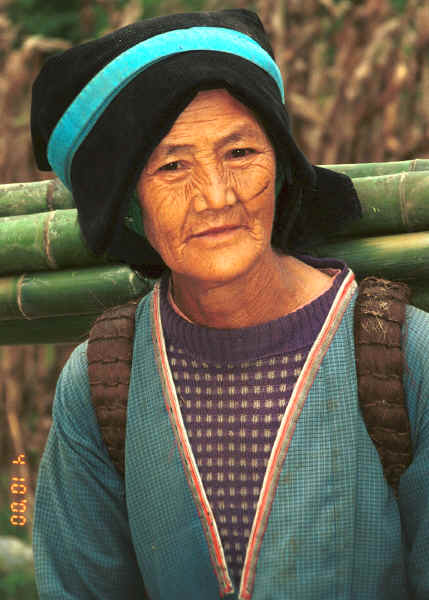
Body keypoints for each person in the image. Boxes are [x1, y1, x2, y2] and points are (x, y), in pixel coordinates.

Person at [30, 9, 429, 600]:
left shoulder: (403, 356)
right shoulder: (100, 384)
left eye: (240, 154)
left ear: (283, 166)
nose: (216, 196)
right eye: (172, 166)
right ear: (127, 205)